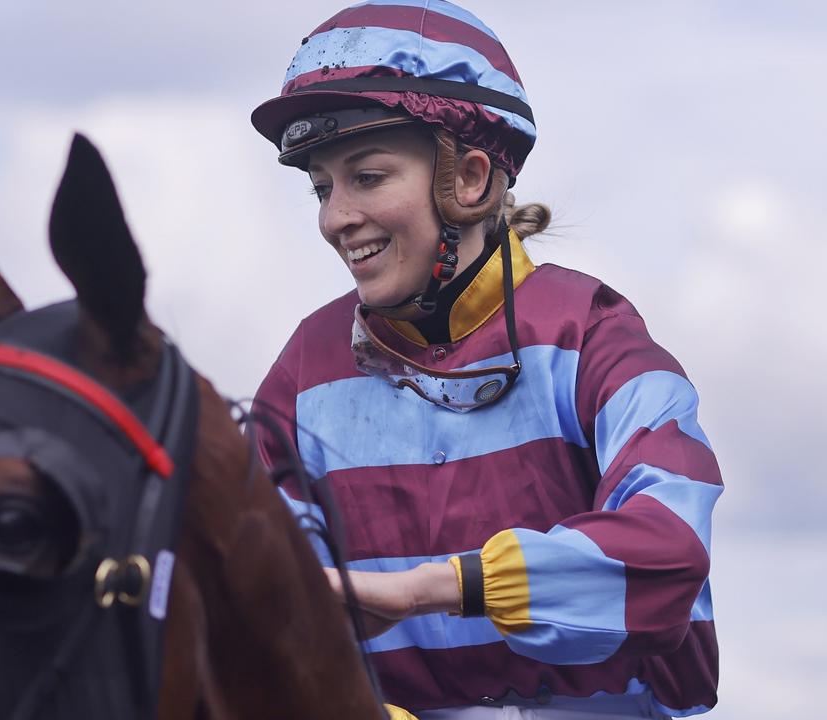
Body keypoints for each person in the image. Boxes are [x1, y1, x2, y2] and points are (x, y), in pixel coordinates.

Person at [249, 2, 721, 718]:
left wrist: (423, 590)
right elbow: (264, 613)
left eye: (367, 177)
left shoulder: (595, 336)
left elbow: (668, 553)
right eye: (321, 186)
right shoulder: (301, 376)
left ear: (468, 180)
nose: (333, 217)